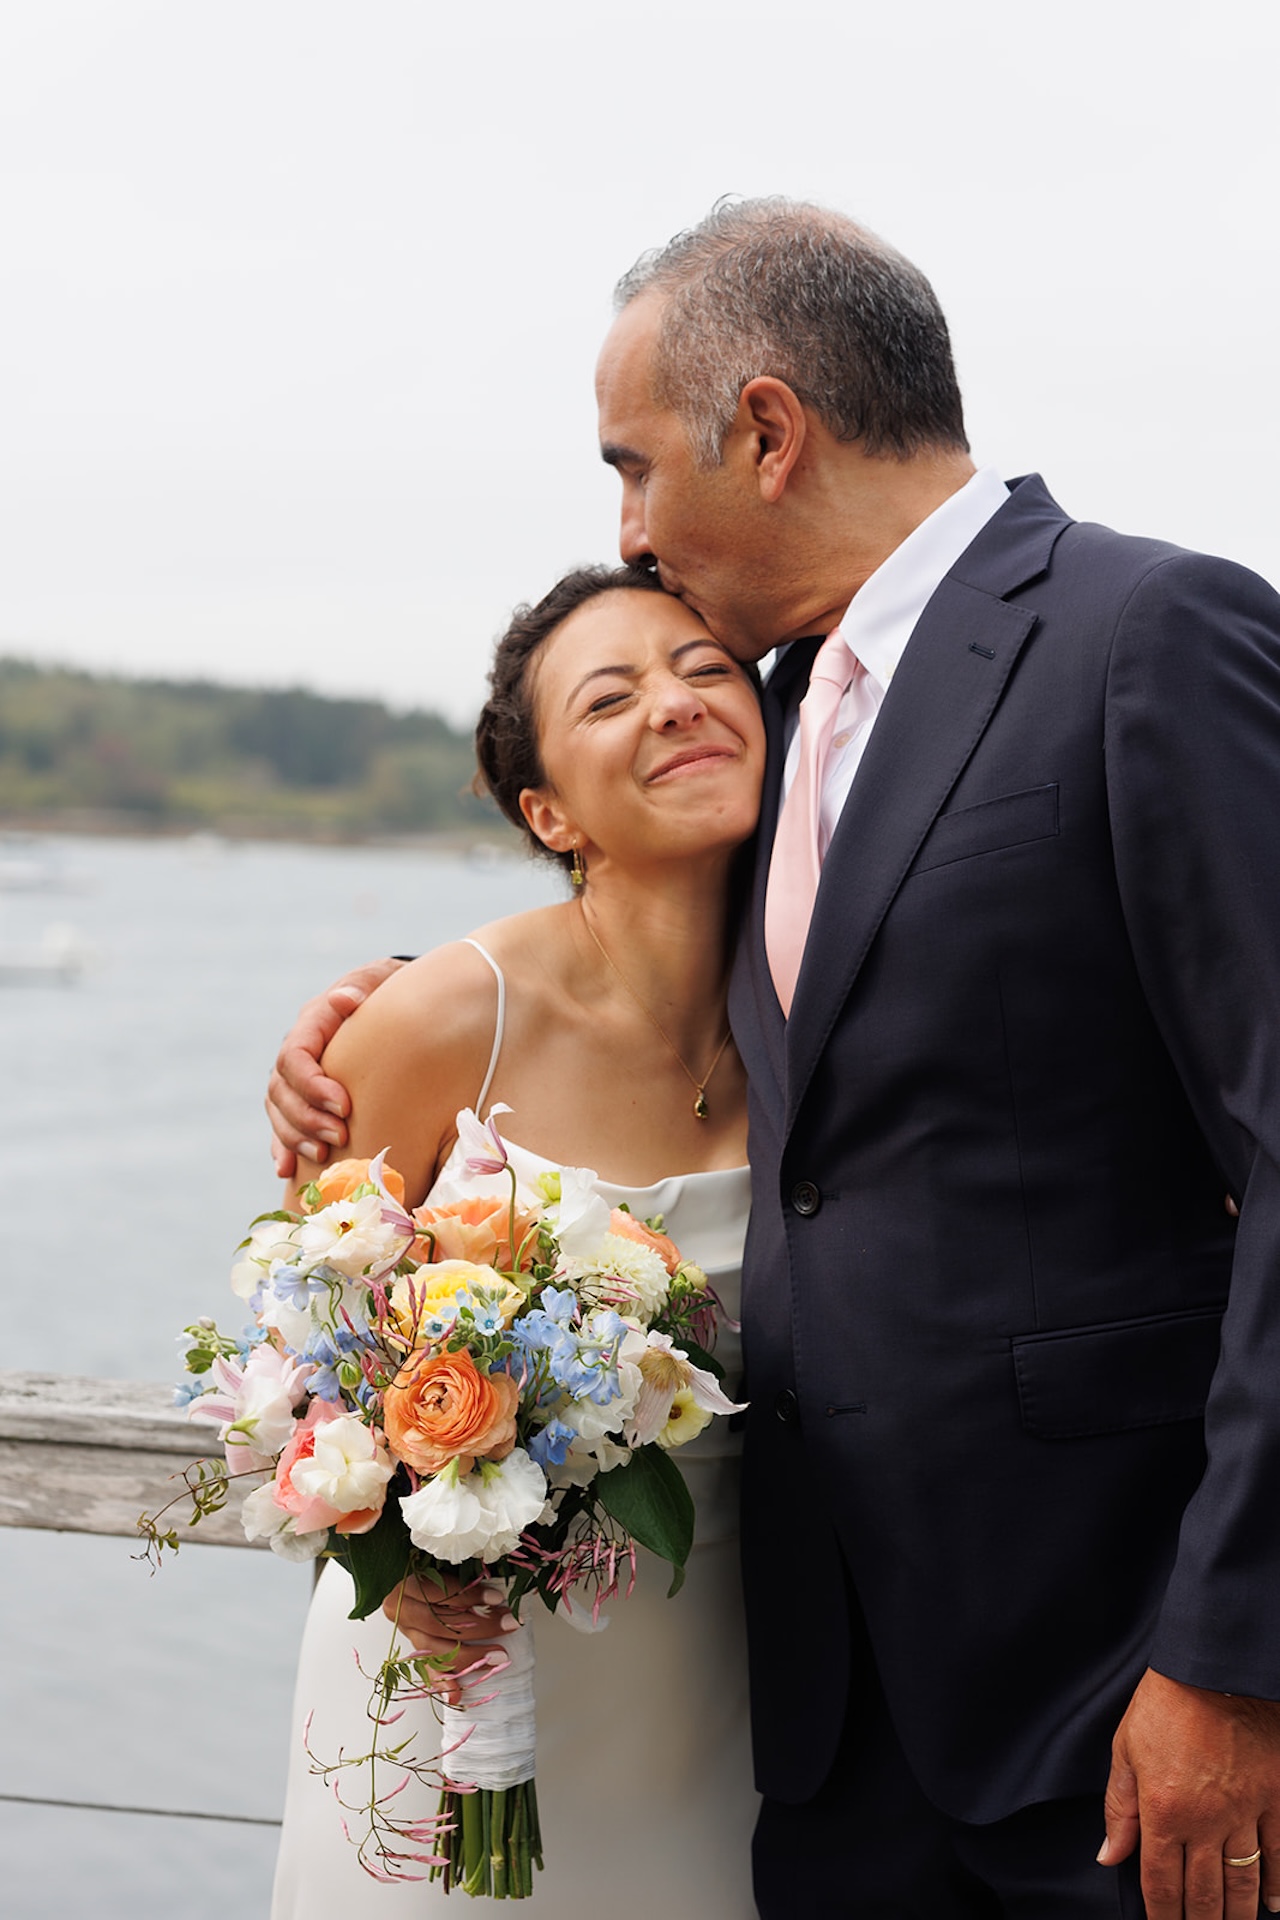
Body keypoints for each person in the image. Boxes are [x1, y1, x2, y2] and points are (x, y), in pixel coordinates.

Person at [270, 201, 1280, 1920]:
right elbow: (649, 969)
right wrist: (380, 1015)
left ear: (763, 429)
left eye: (635, 466)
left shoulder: (1145, 633)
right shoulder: (781, 710)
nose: (633, 532)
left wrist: (1237, 1657)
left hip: (1107, 1700)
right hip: (806, 1730)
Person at [269, 563, 765, 1918]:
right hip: (455, 1682)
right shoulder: (437, 1021)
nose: (675, 705)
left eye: (708, 671)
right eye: (613, 697)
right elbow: (297, 1348)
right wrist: (378, 1544)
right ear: (548, 810)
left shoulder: (818, 1010)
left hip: (721, 1683)